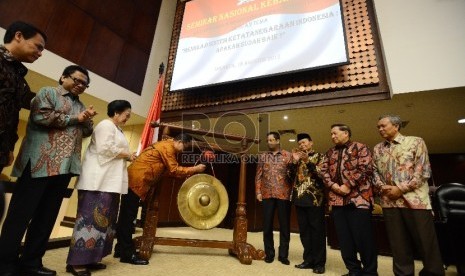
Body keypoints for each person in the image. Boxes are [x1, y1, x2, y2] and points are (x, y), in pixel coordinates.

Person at [0, 65, 96, 276]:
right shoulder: (48, 92)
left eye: (84, 84)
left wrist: (86, 117)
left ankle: (32, 263)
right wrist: (75, 119)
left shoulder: (80, 106)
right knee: (20, 216)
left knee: (46, 218)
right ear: (63, 77)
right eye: (76, 80)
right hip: (39, 164)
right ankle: (5, 264)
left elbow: (87, 130)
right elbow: (41, 117)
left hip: (64, 168)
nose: (80, 86)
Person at [65, 100, 135, 276]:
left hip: (109, 183)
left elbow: (114, 152)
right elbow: (105, 149)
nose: (127, 118)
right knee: (89, 222)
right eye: (127, 115)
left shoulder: (117, 129)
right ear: (117, 112)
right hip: (97, 182)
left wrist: (126, 156)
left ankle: (91, 259)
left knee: (105, 224)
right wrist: (128, 154)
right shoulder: (105, 125)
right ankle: (76, 263)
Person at [115, 133, 206, 265]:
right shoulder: (168, 148)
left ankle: (120, 249)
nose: (183, 150)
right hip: (136, 181)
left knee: (125, 216)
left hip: (133, 180)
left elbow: (167, 171)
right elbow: (174, 170)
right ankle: (127, 254)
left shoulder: (164, 144)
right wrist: (195, 169)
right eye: (184, 147)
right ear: (179, 141)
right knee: (128, 217)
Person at [372, 115, 445, 276]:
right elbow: (375, 172)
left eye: (383, 126)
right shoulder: (377, 148)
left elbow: (423, 172)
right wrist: (382, 186)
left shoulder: (416, 142)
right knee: (398, 245)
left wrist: (400, 188)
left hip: (416, 202)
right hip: (389, 202)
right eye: (378, 127)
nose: (380, 129)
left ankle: (433, 273)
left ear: (396, 126)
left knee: (426, 243)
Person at [320, 124, 378, 276]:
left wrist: (348, 185)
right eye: (331, 134)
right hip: (337, 201)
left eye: (335, 133)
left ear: (346, 133)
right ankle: (354, 270)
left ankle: (370, 272)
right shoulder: (329, 152)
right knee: (344, 240)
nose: (332, 136)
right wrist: (333, 186)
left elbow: (366, 169)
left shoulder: (360, 147)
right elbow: (323, 171)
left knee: (364, 239)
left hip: (359, 200)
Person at [0, 21, 46, 174]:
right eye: (38, 46)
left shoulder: (19, 76)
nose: (40, 53)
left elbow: (11, 116)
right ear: (18, 36)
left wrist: (9, 148)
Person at [289, 133, 326, 274]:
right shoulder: (297, 160)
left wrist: (308, 161)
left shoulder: (320, 156)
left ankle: (319, 263)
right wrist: (293, 161)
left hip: (316, 200)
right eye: (300, 144)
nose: (302, 145)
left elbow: (322, 175)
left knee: (317, 232)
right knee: (304, 233)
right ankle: (308, 260)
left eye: (304, 142)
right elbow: (289, 177)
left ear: (311, 143)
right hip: (299, 199)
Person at [255, 131, 292, 265]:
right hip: (267, 194)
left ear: (278, 141)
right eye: (268, 140)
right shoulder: (263, 156)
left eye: (271, 140)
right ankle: (269, 253)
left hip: (284, 194)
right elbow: (258, 175)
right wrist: (258, 191)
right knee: (267, 225)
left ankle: (283, 255)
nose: (269, 142)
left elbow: (293, 176)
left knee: (284, 226)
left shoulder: (288, 156)